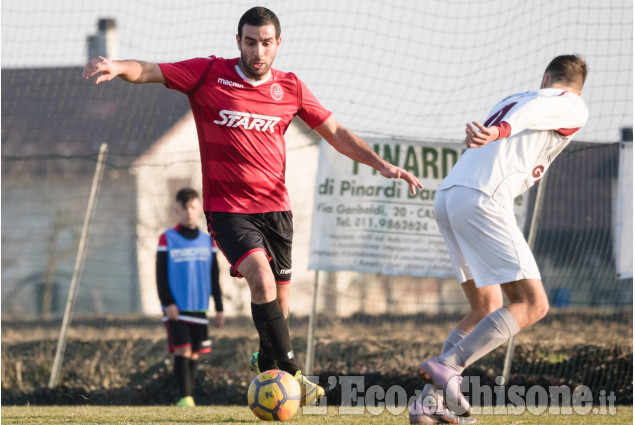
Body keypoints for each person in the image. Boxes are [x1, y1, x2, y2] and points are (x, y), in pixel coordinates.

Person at [83, 6, 423, 406]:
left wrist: (379, 163)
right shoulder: (209, 74)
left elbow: (334, 131)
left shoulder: (291, 87)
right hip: (227, 209)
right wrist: (119, 64)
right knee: (260, 279)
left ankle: (265, 359)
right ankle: (295, 374)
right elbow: (152, 70)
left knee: (279, 305)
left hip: (277, 211)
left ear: (278, 44)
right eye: (249, 42)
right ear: (238, 42)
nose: (257, 51)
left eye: (265, 43)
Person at [409, 55, 589, 424]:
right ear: (571, 86)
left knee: (486, 306)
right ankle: (450, 365)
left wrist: (496, 129)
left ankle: (429, 404)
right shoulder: (569, 103)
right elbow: (539, 109)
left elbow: (527, 113)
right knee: (533, 304)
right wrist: (500, 131)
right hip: (482, 198)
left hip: (450, 196)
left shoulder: (513, 97)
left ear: (544, 75)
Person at [156, 188, 225, 407]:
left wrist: (219, 307)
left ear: (199, 209)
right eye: (184, 208)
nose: (189, 212)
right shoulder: (167, 238)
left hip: (199, 307)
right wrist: (167, 303)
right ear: (177, 210)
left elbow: (215, 276)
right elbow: (160, 274)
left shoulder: (208, 241)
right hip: (176, 308)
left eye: (193, 207)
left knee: (195, 353)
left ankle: (188, 396)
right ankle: (184, 398)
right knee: (183, 349)